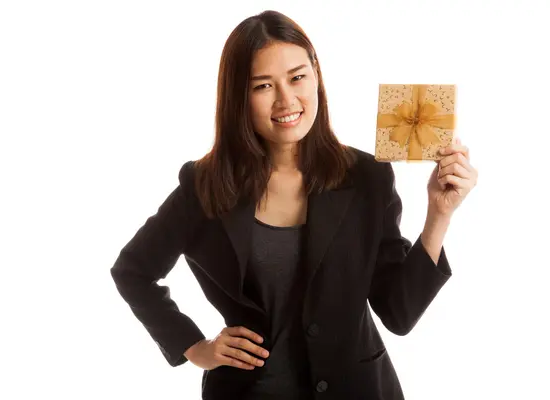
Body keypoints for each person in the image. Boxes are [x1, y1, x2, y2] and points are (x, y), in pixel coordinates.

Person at [110, 9, 478, 400]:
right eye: (263, 86)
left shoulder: (367, 178)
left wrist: (439, 214)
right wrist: (194, 347)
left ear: (316, 76)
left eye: (297, 77)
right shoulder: (204, 185)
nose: (287, 100)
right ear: (238, 96)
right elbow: (133, 271)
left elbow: (399, 314)